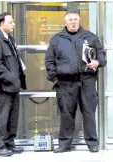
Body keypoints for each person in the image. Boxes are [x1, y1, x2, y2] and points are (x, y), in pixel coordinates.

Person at [45, 10, 106, 153]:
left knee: (89, 112)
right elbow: (49, 61)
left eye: (76, 19)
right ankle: (65, 144)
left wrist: (97, 62)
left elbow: (102, 57)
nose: (73, 22)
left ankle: (92, 143)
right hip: (65, 82)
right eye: (70, 19)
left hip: (87, 80)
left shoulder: (90, 37)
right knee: (66, 114)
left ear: (79, 21)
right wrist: (55, 78)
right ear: (65, 22)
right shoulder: (56, 39)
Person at [0, 12, 27, 157]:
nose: (13, 24)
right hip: (2, 86)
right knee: (1, 117)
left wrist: (17, 78)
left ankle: (9, 143)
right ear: (2, 24)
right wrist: (11, 77)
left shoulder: (9, 39)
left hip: (12, 85)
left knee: (12, 117)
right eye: (11, 22)